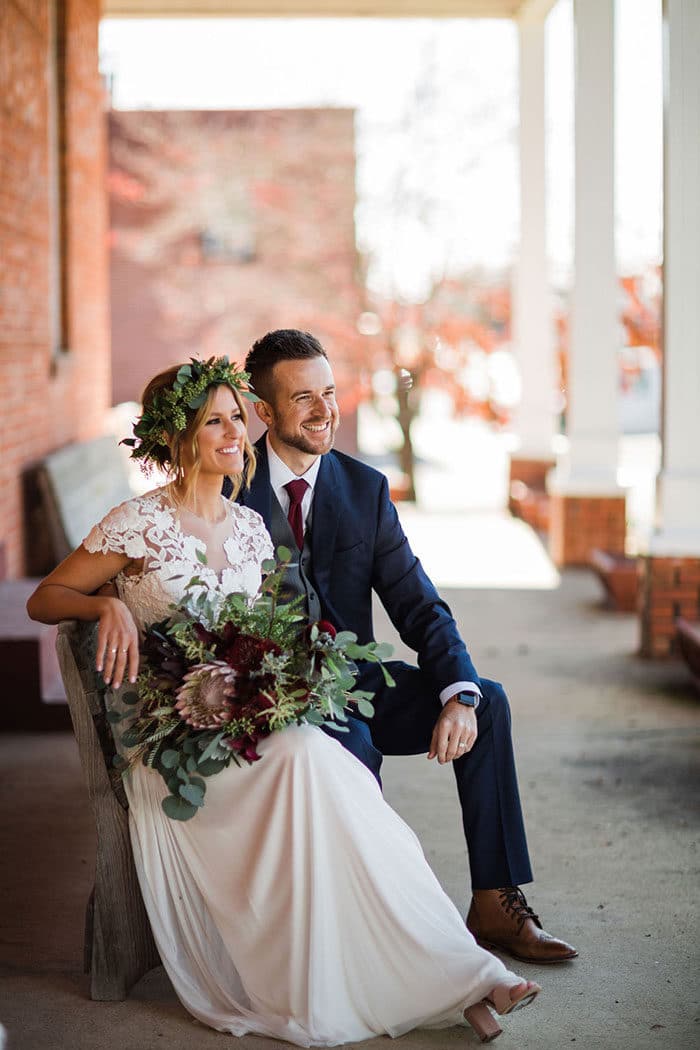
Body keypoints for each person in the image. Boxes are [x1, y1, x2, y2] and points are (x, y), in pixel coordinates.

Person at [27, 357, 540, 1046]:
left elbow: (315, 624)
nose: (234, 431)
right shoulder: (137, 523)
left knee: (336, 760)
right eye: (217, 420)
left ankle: (455, 965)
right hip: (181, 738)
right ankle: (432, 973)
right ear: (178, 435)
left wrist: (303, 685)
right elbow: (45, 597)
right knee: (320, 762)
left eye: (235, 416)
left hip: (262, 716)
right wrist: (105, 607)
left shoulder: (250, 527)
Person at [236, 329, 578, 966]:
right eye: (303, 397)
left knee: (489, 703)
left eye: (330, 392)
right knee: (351, 748)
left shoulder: (363, 489)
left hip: (356, 682)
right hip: (276, 696)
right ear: (265, 411)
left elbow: (418, 604)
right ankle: (370, 927)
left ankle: (494, 903)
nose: (324, 410)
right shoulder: (232, 488)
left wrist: (458, 692)